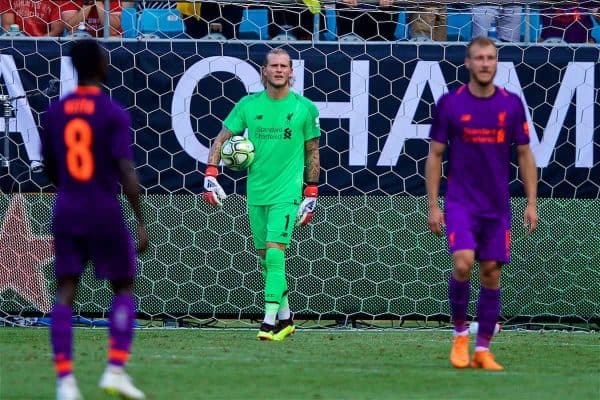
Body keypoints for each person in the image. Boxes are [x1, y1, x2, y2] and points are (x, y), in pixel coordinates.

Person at [40, 40, 148, 400]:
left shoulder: (56, 112)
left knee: (66, 290)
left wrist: (72, 188)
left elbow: (51, 168)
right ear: (100, 66)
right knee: (122, 286)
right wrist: (141, 221)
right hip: (103, 208)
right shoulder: (112, 112)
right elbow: (126, 172)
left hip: (68, 206)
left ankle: (65, 383)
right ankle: (115, 370)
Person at [425, 37, 538, 371]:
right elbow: (434, 154)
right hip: (461, 203)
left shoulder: (512, 104)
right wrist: (433, 205)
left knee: (490, 272)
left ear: (496, 63)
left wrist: (532, 202)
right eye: (479, 58)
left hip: (497, 206)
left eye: (490, 58)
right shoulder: (450, 103)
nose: (485, 63)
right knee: (463, 263)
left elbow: (524, 153)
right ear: (468, 63)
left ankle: (483, 349)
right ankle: (460, 335)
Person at [202, 48, 321, 341]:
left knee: (275, 253)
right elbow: (221, 139)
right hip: (255, 193)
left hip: (287, 193)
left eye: (284, 66)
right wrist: (211, 173)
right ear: (264, 71)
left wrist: (311, 192)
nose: (279, 70)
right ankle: (286, 319)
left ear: (291, 72)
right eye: (274, 66)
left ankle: (268, 322)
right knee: (265, 259)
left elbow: (313, 153)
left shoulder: (305, 108)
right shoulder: (247, 105)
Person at [60, 0, 133, 37]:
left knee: (113, 38)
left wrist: (98, 3)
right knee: (74, 38)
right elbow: (71, 28)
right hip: (81, 41)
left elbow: (113, 29)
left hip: (108, 40)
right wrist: (87, 4)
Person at [0, 0, 64, 36]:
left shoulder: (56, 1)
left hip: (45, 43)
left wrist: (40, 42)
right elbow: (8, 25)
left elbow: (57, 29)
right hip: (18, 42)